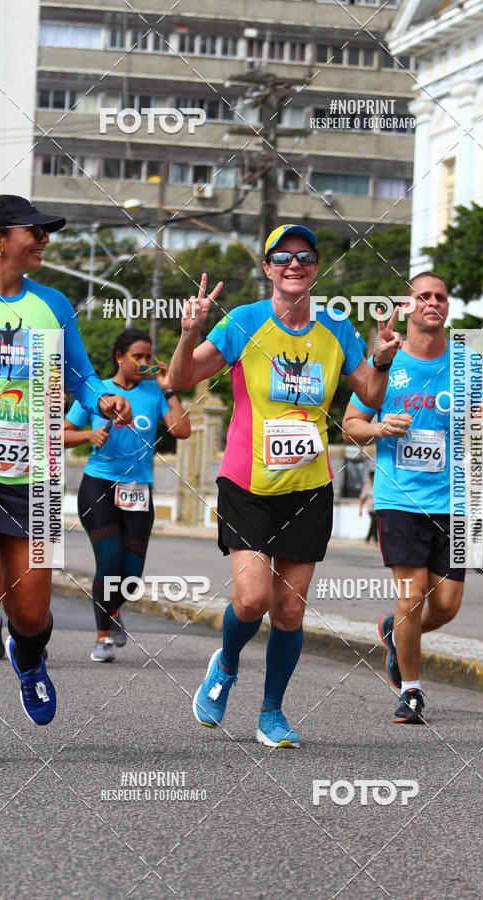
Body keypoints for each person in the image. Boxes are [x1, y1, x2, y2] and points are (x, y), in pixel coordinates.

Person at [169, 224, 402, 748]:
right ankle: (225, 665)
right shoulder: (243, 321)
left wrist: (383, 357)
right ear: (269, 267)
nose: (294, 264)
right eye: (283, 257)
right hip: (247, 483)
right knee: (251, 600)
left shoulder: (334, 329)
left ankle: (271, 713)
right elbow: (180, 380)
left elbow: (370, 391)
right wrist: (189, 333)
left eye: (305, 257)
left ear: (316, 268)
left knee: (290, 609)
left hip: (308, 486)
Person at [0, 195, 133, 766]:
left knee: (30, 611)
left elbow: (79, 375)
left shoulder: (51, 305)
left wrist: (103, 399)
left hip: (36, 476)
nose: (44, 240)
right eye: (32, 231)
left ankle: (28, 658)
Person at [342, 272, 483, 724]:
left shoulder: (467, 362)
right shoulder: (388, 362)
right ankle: (410, 691)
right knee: (411, 598)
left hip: (457, 501)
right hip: (401, 499)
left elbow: (481, 416)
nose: (434, 302)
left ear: (448, 308)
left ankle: (395, 633)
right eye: (423, 296)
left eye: (441, 297)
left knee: (445, 606)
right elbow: (352, 422)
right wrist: (379, 428)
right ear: (408, 307)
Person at [64, 327, 190, 661]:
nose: (146, 362)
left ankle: (113, 610)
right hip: (99, 486)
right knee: (109, 562)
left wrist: (169, 387)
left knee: (131, 578)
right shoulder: (98, 392)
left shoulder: (154, 391)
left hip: (138, 489)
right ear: (120, 357)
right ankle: (102, 637)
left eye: (150, 357)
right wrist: (90, 434)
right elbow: (61, 434)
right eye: (139, 356)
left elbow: (182, 430)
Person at [358, 471, 377, 542]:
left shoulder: (377, 486)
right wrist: (360, 510)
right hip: (370, 508)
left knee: (375, 522)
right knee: (374, 521)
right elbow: (362, 499)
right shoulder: (367, 487)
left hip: (377, 508)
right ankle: (375, 539)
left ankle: (368, 538)